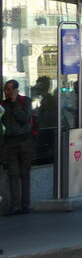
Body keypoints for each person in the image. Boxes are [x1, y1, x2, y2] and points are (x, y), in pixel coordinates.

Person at [2, 79, 35, 215]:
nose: (7, 92)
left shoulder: (24, 101)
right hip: (10, 143)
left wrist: (15, 103)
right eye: (6, 89)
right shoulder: (3, 104)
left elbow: (24, 118)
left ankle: (25, 205)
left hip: (24, 141)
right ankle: (15, 205)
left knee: (24, 173)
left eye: (10, 89)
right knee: (13, 174)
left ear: (16, 90)